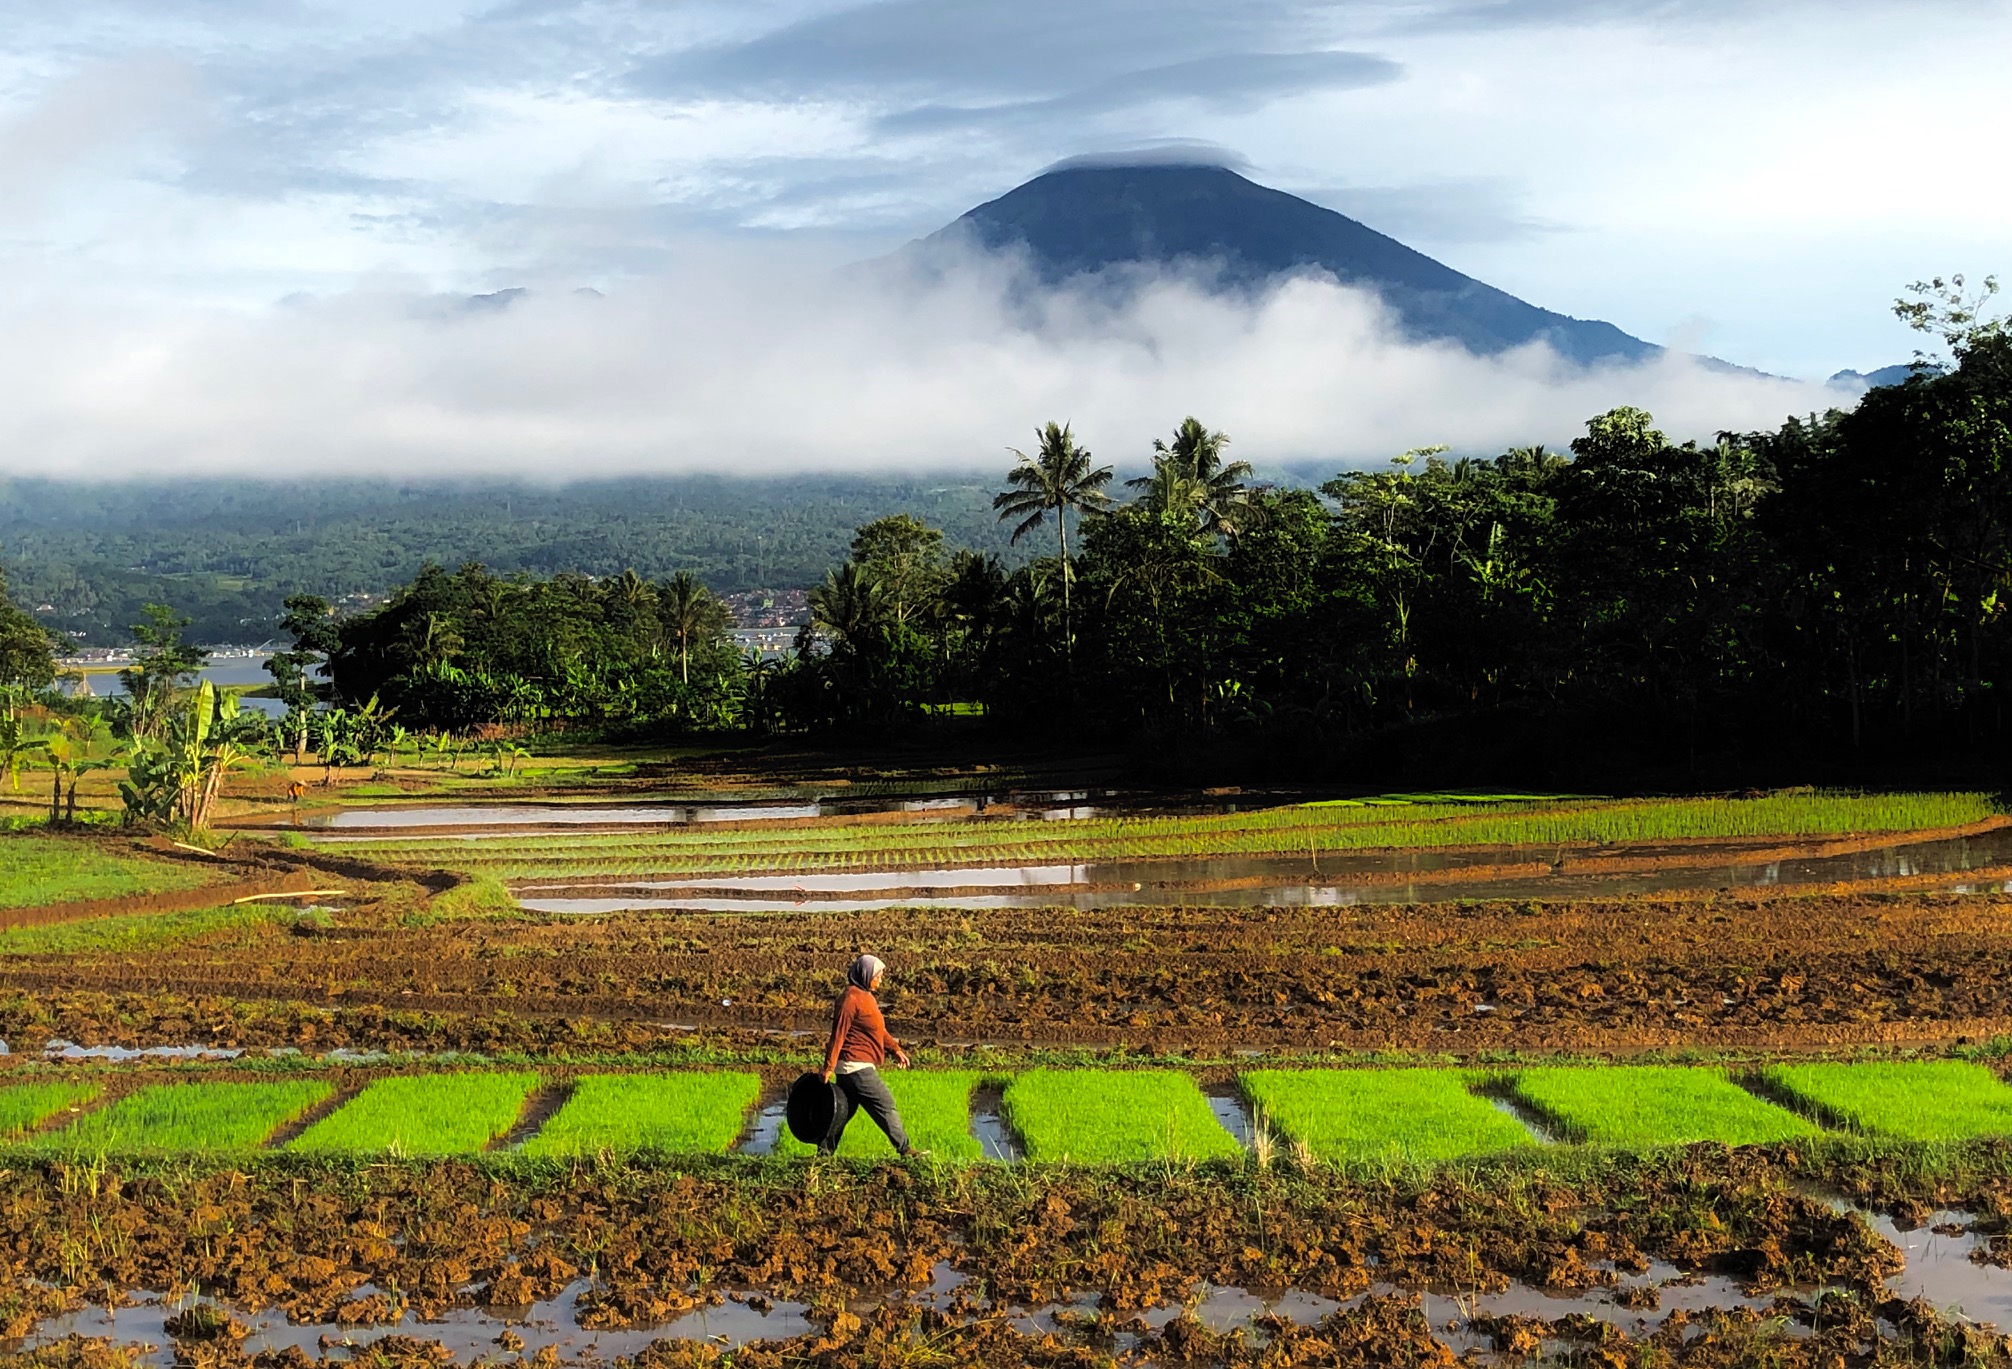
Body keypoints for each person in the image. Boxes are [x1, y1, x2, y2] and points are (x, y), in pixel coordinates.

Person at [818, 953, 921, 1156]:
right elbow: (838, 1034)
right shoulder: (850, 999)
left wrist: (895, 1049)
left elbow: (878, 1030)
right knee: (885, 1104)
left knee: (841, 1113)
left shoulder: (866, 998)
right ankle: (906, 1150)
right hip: (856, 1066)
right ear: (865, 975)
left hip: (853, 1067)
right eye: (878, 976)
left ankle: (823, 1155)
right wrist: (828, 1067)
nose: (880, 980)